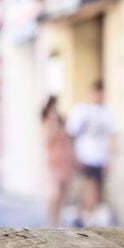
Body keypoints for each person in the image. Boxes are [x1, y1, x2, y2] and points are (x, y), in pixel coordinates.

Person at [66, 81, 116, 226]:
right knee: (89, 186)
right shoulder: (83, 110)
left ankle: (85, 215)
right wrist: (74, 155)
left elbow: (113, 136)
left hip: (100, 158)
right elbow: (71, 133)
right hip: (85, 156)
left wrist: (110, 159)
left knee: (96, 188)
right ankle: (86, 215)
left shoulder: (108, 112)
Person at [41, 97, 74, 227]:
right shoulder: (47, 123)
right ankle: (51, 223)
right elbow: (48, 140)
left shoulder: (63, 123)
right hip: (52, 164)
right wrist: (54, 124)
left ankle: (58, 222)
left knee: (62, 197)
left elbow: (69, 142)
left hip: (65, 163)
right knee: (54, 195)